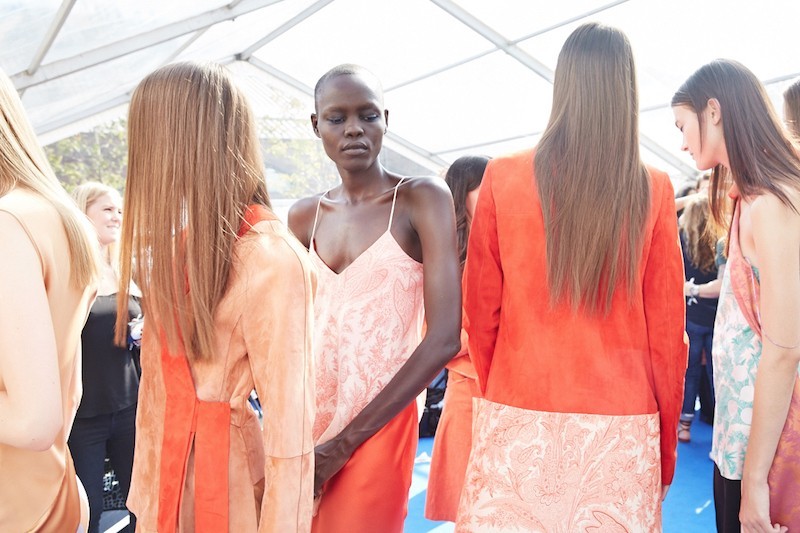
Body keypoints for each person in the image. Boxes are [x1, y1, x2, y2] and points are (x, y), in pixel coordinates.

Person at [458, 23, 687, 531]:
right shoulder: (654, 187)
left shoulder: (504, 175)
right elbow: (669, 339)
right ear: (626, 90)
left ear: (563, 83)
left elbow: (480, 313)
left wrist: (505, 393)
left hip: (519, 408)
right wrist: (665, 448)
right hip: (621, 426)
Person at [117, 61, 316, 532]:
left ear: (183, 141)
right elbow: (156, 390)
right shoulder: (183, 243)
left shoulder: (269, 256)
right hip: (162, 481)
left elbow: (291, 430)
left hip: (223, 489)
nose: (139, 154)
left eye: (148, 135)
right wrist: (144, 496)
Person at [288, 64, 462, 533]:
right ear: (316, 125)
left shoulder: (421, 198)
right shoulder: (304, 216)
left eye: (367, 116)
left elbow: (445, 338)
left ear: (386, 119)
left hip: (379, 422)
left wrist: (343, 444)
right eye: (336, 118)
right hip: (306, 421)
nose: (353, 130)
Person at [673, 58, 800, 533]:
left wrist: (755, 482)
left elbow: (784, 351)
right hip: (740, 437)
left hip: (766, 448)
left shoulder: (773, 201)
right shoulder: (752, 198)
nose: (682, 141)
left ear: (714, 111)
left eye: (683, 125)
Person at [0, 68, 97, 531]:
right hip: (51, 492)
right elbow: (67, 392)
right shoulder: (51, 214)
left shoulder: (10, 224)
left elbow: (34, 420)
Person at [69, 182, 141, 532]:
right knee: (89, 510)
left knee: (139, 503)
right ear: (83, 214)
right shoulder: (71, 274)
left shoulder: (124, 270)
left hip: (130, 408)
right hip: (85, 416)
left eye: (119, 210)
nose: (117, 217)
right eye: (108, 209)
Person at [424, 154, 489, 522]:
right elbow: (433, 336)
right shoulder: (445, 255)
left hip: (506, 396)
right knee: (470, 510)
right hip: (468, 393)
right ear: (463, 192)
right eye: (487, 184)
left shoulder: (510, 243)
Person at [678, 196, 722, 442]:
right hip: (716, 316)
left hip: (692, 317)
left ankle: (684, 427)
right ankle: (721, 430)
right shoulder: (721, 243)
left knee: (691, 373)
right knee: (717, 375)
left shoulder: (683, 243)